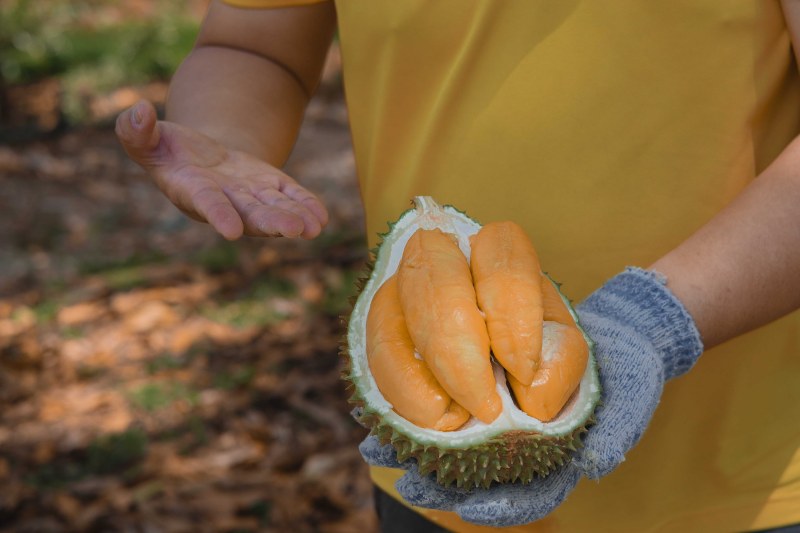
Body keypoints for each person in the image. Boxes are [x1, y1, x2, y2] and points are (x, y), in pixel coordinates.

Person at [116, 1, 800, 531]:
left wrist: (655, 321)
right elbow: (252, 41)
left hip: (750, 482)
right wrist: (222, 138)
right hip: (437, 479)